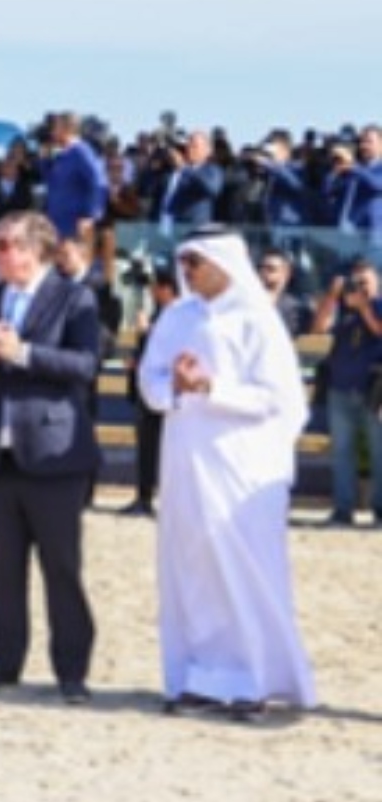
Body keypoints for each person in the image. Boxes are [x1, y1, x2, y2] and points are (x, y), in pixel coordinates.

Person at [137, 229, 317, 719]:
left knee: (246, 569)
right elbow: (148, 379)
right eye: (185, 262)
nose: (188, 271)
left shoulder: (258, 320)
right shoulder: (176, 316)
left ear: (224, 264)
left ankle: (257, 681)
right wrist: (174, 389)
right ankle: (202, 678)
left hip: (243, 465)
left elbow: (279, 400)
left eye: (197, 262)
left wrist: (212, 387)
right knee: (192, 566)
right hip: (185, 460)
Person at [0, 210, 101, 705]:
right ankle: (3, 661)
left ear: (36, 250)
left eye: (8, 245)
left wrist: (24, 353)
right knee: (0, 569)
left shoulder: (75, 297)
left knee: (62, 567)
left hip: (53, 453)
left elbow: (85, 364)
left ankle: (71, 671)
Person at [309, 258, 382, 526]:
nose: (359, 287)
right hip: (340, 388)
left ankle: (380, 510)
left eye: (365, 282)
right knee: (341, 452)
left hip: (374, 390)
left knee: (379, 451)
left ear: (378, 283)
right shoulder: (341, 307)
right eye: (355, 281)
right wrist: (332, 295)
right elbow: (318, 328)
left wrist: (364, 306)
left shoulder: (377, 305)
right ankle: (343, 509)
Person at [122, 266, 181, 517]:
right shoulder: (159, 313)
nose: (152, 291)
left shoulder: (180, 316)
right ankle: (143, 496)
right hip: (147, 393)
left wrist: (149, 332)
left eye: (156, 286)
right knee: (146, 447)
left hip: (170, 395)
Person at [40, 113, 107, 240]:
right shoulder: (62, 154)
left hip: (74, 223)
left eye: (56, 127)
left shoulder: (82, 152)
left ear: (67, 129)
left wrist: (91, 215)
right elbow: (51, 181)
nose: (52, 132)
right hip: (56, 221)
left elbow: (98, 182)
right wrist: (45, 161)